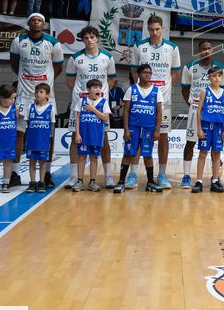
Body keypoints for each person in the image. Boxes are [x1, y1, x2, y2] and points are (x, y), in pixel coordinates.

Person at [9, 12, 64, 188]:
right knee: (19, 134)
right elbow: (14, 64)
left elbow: (58, 67)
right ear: (29, 23)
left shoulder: (54, 43)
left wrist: (45, 86)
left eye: (39, 20)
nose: (36, 22)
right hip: (24, 96)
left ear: (44, 24)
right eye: (33, 20)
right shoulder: (18, 41)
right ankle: (14, 173)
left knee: (49, 135)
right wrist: (27, 80)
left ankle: (46, 173)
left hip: (46, 97)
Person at [131, 15, 181, 190]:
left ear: (162, 28)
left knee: (163, 137)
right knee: (137, 137)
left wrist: (162, 91)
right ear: (147, 29)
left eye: (157, 29)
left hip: (163, 100)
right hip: (141, 100)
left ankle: (162, 174)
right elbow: (134, 71)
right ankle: (132, 174)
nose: (154, 32)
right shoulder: (139, 46)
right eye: (151, 29)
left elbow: (174, 74)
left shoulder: (172, 48)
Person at [65, 26, 118, 188]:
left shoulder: (107, 58)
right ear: (83, 40)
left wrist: (100, 96)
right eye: (86, 37)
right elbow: (70, 82)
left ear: (97, 38)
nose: (89, 40)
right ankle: (74, 177)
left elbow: (111, 80)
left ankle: (108, 176)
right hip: (80, 105)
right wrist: (83, 96)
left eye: (92, 37)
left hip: (100, 106)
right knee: (76, 138)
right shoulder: (75, 58)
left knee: (104, 139)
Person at [181, 40, 223, 188]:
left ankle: (215, 177)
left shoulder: (218, 68)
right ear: (199, 51)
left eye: (209, 48)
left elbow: (222, 92)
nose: (206, 51)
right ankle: (186, 176)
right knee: (190, 143)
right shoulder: (190, 67)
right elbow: (185, 89)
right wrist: (192, 105)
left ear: (212, 50)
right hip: (196, 110)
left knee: (214, 147)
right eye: (203, 49)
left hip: (214, 112)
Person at [115, 64, 162, 193]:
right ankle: (121, 182)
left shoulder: (156, 91)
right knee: (128, 154)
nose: (148, 74)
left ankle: (150, 182)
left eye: (150, 73)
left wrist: (157, 130)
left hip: (149, 129)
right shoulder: (132, 90)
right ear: (138, 74)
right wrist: (125, 129)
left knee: (148, 155)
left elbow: (158, 112)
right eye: (145, 72)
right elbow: (126, 111)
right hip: (133, 128)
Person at [192, 65, 224, 193]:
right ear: (209, 77)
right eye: (214, 76)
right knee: (203, 153)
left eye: (219, 76)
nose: (216, 78)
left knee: (217, 154)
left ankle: (215, 180)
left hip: (219, 127)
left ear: (222, 77)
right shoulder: (204, 91)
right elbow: (198, 111)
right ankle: (199, 181)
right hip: (206, 126)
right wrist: (199, 128)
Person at [72, 79, 110, 192]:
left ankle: (92, 181)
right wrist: (77, 134)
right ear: (88, 90)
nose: (98, 89)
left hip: (96, 135)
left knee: (94, 158)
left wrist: (93, 109)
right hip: (83, 134)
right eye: (95, 87)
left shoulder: (103, 101)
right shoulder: (81, 101)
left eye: (99, 87)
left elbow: (105, 117)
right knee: (82, 157)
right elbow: (77, 118)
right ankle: (79, 181)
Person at [24, 83, 54, 193]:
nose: (38, 94)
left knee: (42, 163)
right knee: (32, 162)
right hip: (32, 140)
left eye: (41, 92)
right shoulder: (30, 107)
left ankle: (41, 182)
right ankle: (32, 183)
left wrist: (49, 140)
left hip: (44, 141)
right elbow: (28, 123)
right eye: (36, 92)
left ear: (47, 95)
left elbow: (52, 125)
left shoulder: (51, 108)